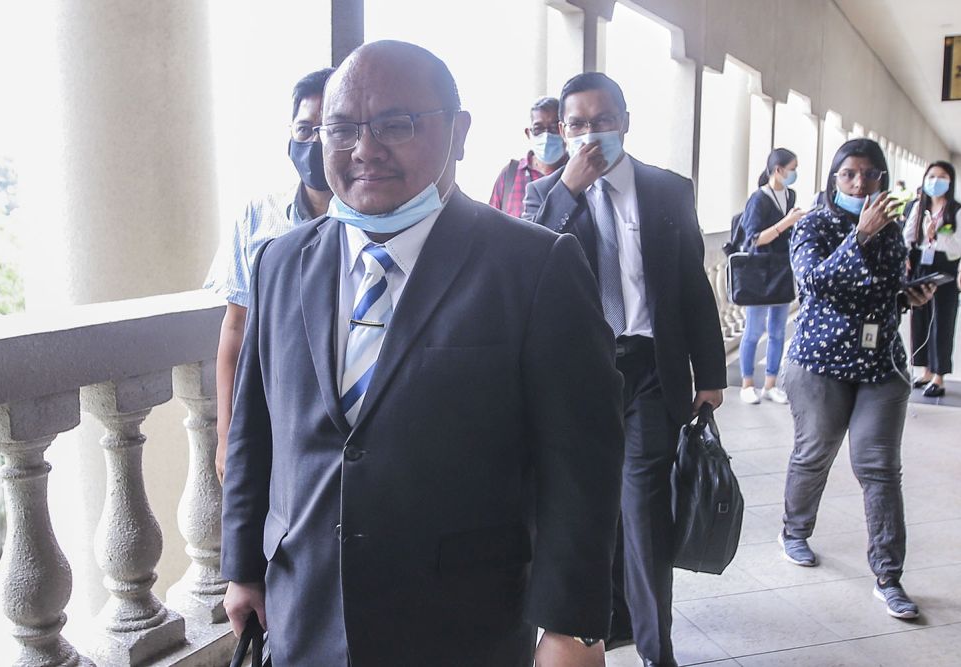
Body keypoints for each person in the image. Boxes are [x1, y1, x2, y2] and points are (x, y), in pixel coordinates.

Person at [220, 41, 625, 667]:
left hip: (460, 622)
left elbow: (581, 460)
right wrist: (242, 566)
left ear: (458, 132)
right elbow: (255, 430)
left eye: (396, 125)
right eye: (342, 128)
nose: (365, 149)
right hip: (304, 611)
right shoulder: (280, 262)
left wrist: (571, 626)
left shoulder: (534, 266)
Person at [523, 72, 727, 667]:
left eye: (602, 120)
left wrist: (709, 375)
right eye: (578, 124)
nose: (591, 134)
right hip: (580, 377)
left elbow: (692, 286)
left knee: (643, 514)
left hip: (648, 370)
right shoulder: (546, 194)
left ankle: (656, 651)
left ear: (625, 121)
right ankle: (600, 626)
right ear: (562, 130)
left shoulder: (668, 190)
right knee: (583, 508)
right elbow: (528, 264)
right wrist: (567, 190)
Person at [779, 138, 934, 620]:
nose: (860, 183)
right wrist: (859, 236)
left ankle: (889, 575)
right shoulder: (813, 225)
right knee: (815, 452)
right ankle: (795, 531)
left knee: (880, 467)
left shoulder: (891, 229)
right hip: (821, 362)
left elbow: (881, 290)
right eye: (849, 174)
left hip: (879, 364)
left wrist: (910, 296)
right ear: (833, 178)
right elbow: (814, 284)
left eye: (870, 175)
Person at [204, 67, 335, 483]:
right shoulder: (259, 217)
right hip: (272, 404)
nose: (313, 142)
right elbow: (235, 327)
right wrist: (225, 431)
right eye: (303, 129)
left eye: (327, 129)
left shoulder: (375, 221)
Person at [737, 148, 805, 405]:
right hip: (760, 272)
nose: (794, 174)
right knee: (754, 330)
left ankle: (770, 384)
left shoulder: (791, 195)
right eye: (792, 168)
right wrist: (785, 223)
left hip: (783, 270)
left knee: (778, 331)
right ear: (778, 170)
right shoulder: (758, 199)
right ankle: (747, 383)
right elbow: (754, 239)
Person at [903, 161, 961, 397]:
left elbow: (958, 244)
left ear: (950, 181)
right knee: (920, 316)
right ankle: (925, 370)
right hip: (920, 264)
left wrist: (937, 233)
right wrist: (906, 253)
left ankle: (939, 375)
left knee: (942, 319)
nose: (935, 181)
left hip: (945, 265)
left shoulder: (955, 211)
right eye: (931, 176)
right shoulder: (919, 206)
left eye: (941, 176)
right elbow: (907, 235)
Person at [488, 96, 567, 217]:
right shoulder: (510, 174)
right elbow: (490, 223)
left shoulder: (577, 173)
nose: (546, 135)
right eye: (538, 129)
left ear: (564, 130)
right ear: (528, 133)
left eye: (554, 128)